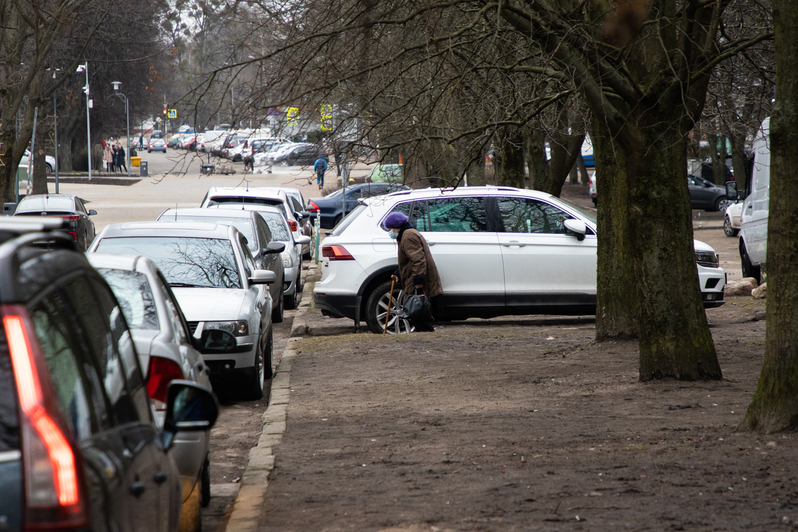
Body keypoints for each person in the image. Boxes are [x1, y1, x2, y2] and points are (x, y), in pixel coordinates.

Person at [385, 212, 443, 332]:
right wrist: (398, 272)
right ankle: (425, 335)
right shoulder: (406, 235)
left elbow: (418, 260)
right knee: (418, 311)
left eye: (390, 229)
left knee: (418, 311)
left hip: (416, 278)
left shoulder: (407, 236)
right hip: (414, 276)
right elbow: (409, 259)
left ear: (396, 227)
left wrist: (419, 282)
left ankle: (426, 336)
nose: (389, 232)